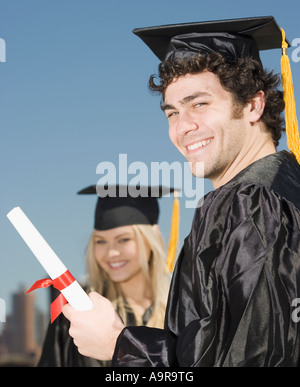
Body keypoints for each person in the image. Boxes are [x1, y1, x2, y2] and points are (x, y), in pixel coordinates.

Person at [62, 16, 300, 366]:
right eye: (172, 112)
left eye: (200, 104)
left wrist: (120, 344)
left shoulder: (250, 204)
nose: (183, 127)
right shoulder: (284, 188)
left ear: (253, 104)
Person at [38, 184, 177, 366]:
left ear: (152, 239)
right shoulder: (77, 313)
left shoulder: (180, 310)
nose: (111, 253)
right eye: (100, 241)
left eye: (123, 239)